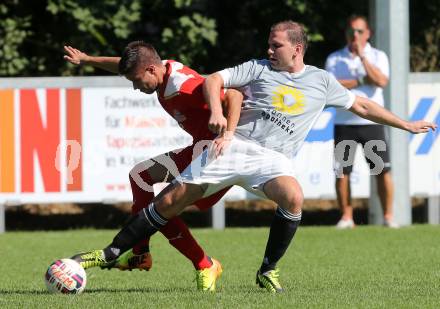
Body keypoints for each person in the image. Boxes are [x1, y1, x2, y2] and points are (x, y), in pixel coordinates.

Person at [68, 21, 436, 293]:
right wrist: (226, 129)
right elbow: (215, 80)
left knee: (293, 197)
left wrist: (405, 124)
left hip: (271, 158)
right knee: (166, 201)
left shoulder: (322, 81)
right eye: (269, 44)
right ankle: (115, 251)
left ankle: (266, 269)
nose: (270, 49)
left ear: (297, 49)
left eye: (276, 45)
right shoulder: (257, 68)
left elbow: (364, 104)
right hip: (231, 146)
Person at [64, 43, 243, 291]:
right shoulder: (161, 70)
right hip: (200, 149)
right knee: (141, 176)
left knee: (162, 209)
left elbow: (234, 95)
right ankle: (140, 252)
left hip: (220, 156)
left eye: (137, 81)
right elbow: (123, 64)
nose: (136, 88)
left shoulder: (183, 86)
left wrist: (222, 122)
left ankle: (205, 264)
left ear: (150, 69)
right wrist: (87, 59)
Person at [325, 15, 397, 229]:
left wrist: (363, 58)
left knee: (381, 170)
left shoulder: (377, 56)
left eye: (359, 31)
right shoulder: (335, 58)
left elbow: (381, 81)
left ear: (368, 33)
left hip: (372, 124)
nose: (354, 35)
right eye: (351, 31)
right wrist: (360, 80)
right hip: (344, 123)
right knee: (342, 171)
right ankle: (347, 217)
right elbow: (331, 86)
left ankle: (388, 216)